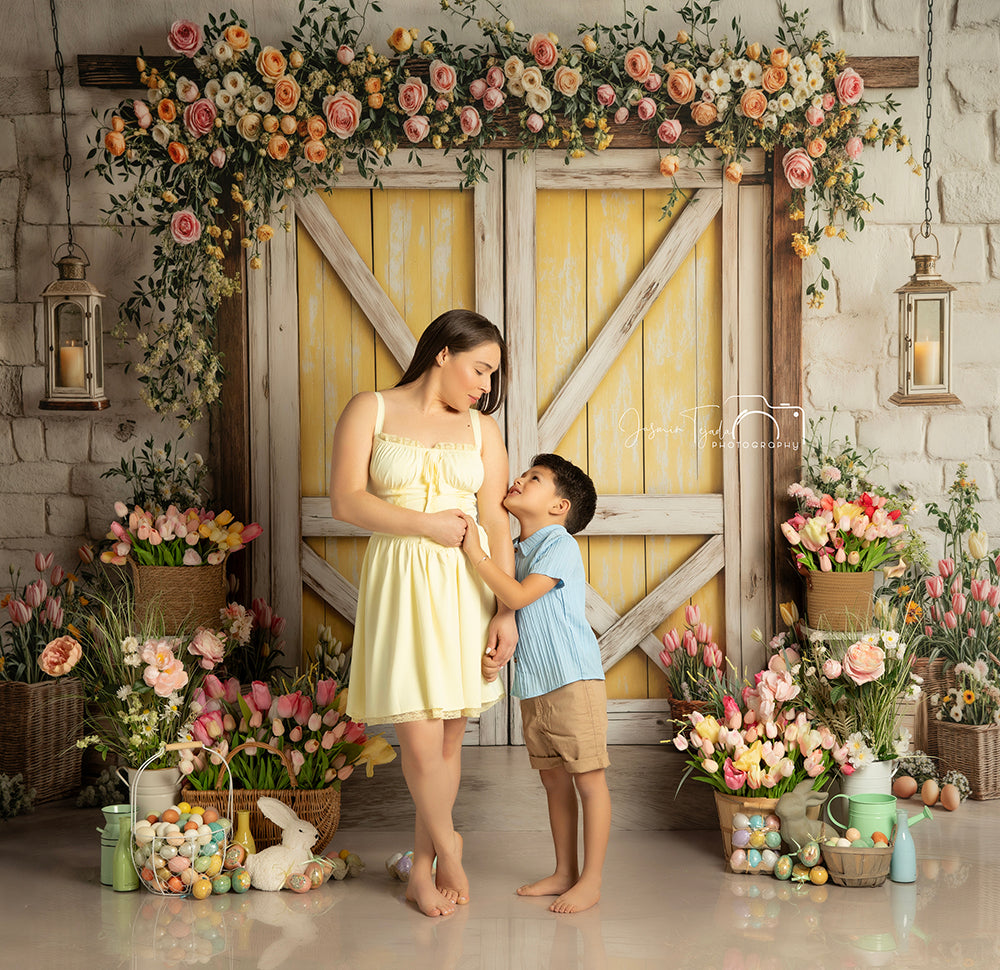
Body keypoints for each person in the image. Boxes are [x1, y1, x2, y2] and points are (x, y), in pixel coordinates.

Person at [329, 309, 518, 918]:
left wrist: (505, 609)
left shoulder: (483, 430)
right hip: (402, 581)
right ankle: (449, 848)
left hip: (467, 584)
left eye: (491, 376)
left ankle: (422, 873)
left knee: (447, 741)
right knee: (418, 736)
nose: (485, 386)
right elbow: (346, 501)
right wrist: (426, 525)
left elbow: (493, 519)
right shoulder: (372, 409)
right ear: (443, 353)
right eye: (480, 369)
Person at [458, 453, 611, 914]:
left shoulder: (558, 543)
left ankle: (592, 879)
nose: (520, 479)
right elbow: (508, 617)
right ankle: (564, 870)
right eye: (524, 473)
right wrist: (494, 660)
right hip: (535, 687)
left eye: (535, 478)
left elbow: (518, 596)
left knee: (589, 781)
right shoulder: (515, 550)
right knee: (554, 782)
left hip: (573, 680)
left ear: (559, 507)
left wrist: (476, 554)